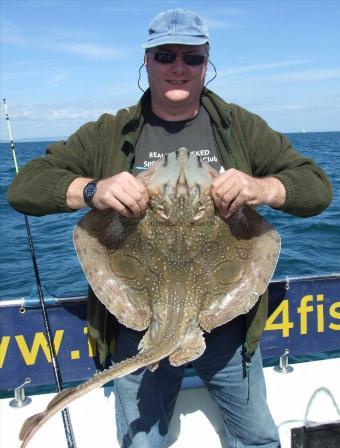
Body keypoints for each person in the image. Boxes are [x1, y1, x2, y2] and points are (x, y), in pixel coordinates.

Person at [8, 8, 332, 448]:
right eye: (165, 55)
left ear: (207, 62)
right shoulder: (110, 132)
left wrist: (261, 187)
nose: (178, 67)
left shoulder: (239, 128)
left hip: (225, 328)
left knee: (257, 438)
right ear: (146, 61)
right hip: (142, 325)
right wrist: (93, 190)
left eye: (191, 57)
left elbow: (317, 188)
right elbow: (25, 187)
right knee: (143, 443)